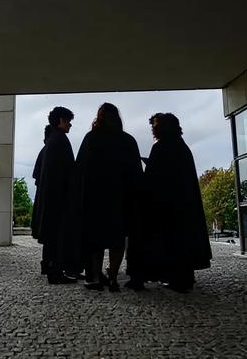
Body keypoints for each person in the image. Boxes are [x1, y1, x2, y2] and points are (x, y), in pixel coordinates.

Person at [130, 113, 212, 293]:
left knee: (171, 243)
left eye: (156, 125)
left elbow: (154, 178)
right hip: (183, 206)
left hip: (166, 207)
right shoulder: (182, 147)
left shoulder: (161, 148)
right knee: (182, 243)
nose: (153, 128)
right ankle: (183, 278)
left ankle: (175, 279)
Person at [75, 103, 143, 292]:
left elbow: (80, 170)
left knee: (95, 240)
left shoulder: (91, 139)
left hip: (95, 199)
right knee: (117, 240)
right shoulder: (128, 141)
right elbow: (137, 174)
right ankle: (113, 276)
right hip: (120, 199)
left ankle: (96, 278)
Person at [36, 106, 78, 284]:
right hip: (59, 196)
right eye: (68, 121)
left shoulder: (51, 141)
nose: (70, 125)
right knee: (59, 235)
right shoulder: (61, 139)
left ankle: (50, 267)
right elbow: (68, 170)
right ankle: (56, 272)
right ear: (61, 120)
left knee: (51, 234)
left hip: (50, 195)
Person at [31, 125, 52, 274]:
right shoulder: (50, 149)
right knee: (51, 235)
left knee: (48, 236)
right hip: (48, 198)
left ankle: (46, 263)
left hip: (42, 197)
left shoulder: (44, 151)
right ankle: (49, 264)